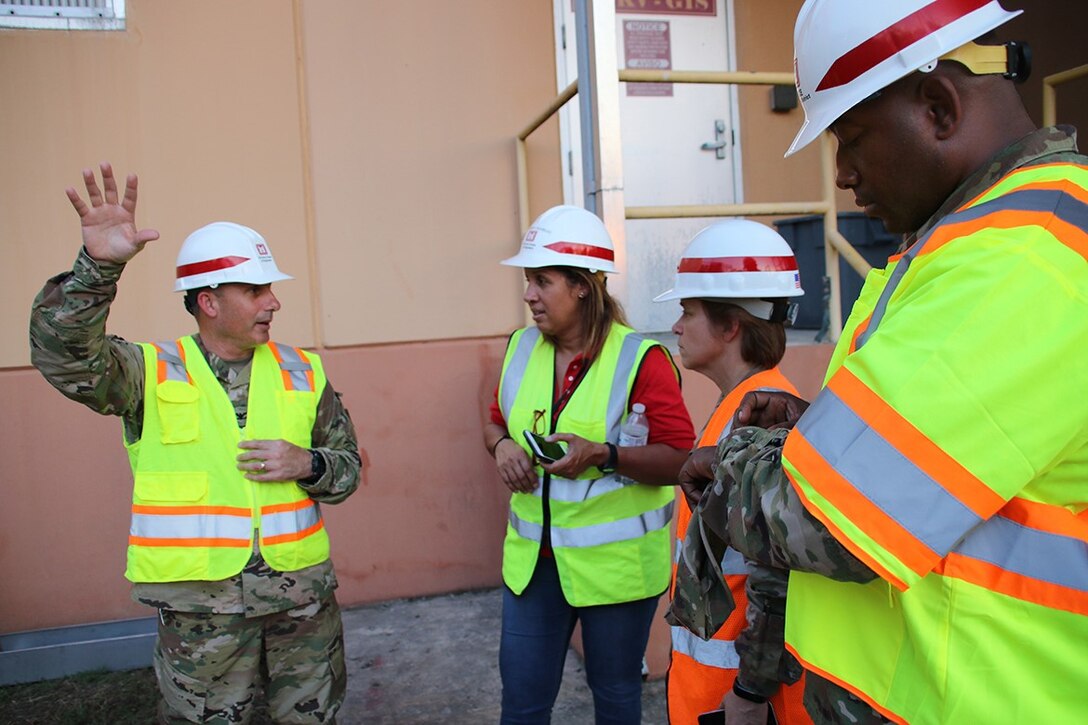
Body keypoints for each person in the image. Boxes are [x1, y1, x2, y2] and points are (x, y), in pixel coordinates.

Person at [680, 1, 1088, 723]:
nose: (842, 175)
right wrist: (825, 433)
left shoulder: (1021, 256)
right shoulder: (978, 239)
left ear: (937, 106)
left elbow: (824, 520)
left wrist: (738, 458)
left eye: (851, 136)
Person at [30, 163, 361, 724]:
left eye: (270, 289)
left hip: (301, 607)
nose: (273, 302)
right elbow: (63, 356)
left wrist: (309, 463)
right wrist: (99, 268)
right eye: (255, 290)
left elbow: (349, 470)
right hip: (200, 617)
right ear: (208, 302)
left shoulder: (303, 371)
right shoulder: (147, 371)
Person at [483, 204, 695, 724]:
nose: (528, 294)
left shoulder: (640, 359)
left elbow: (681, 460)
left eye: (542, 281)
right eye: (528, 281)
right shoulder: (519, 347)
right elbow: (494, 422)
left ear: (582, 285)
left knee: (617, 697)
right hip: (533, 567)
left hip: (617, 571)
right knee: (523, 705)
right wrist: (501, 447)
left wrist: (603, 454)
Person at [655, 220, 810, 725]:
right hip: (713, 693)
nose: (677, 326)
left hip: (734, 702)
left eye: (687, 311)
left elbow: (775, 579)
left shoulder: (755, 424)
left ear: (731, 326)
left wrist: (748, 692)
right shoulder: (743, 407)